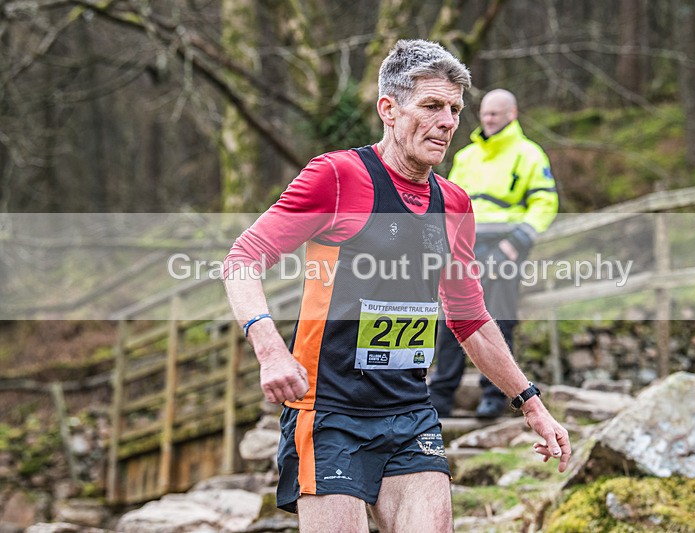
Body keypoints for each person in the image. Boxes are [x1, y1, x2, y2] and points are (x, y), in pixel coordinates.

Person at [223, 40, 569, 532]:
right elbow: (243, 258)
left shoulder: (454, 204)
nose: (447, 121)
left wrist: (530, 402)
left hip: (409, 412)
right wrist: (270, 349)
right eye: (431, 106)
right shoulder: (338, 177)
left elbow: (470, 319)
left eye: (453, 109)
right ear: (388, 108)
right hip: (330, 413)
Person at [428, 89, 559, 419]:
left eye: (495, 114)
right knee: (450, 318)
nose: (487, 119)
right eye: (484, 113)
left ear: (511, 114)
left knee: (497, 319)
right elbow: (449, 203)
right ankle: (441, 393)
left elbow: (545, 202)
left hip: (505, 245)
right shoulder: (467, 156)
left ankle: (495, 395)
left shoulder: (529, 154)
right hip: (464, 246)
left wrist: (518, 240)